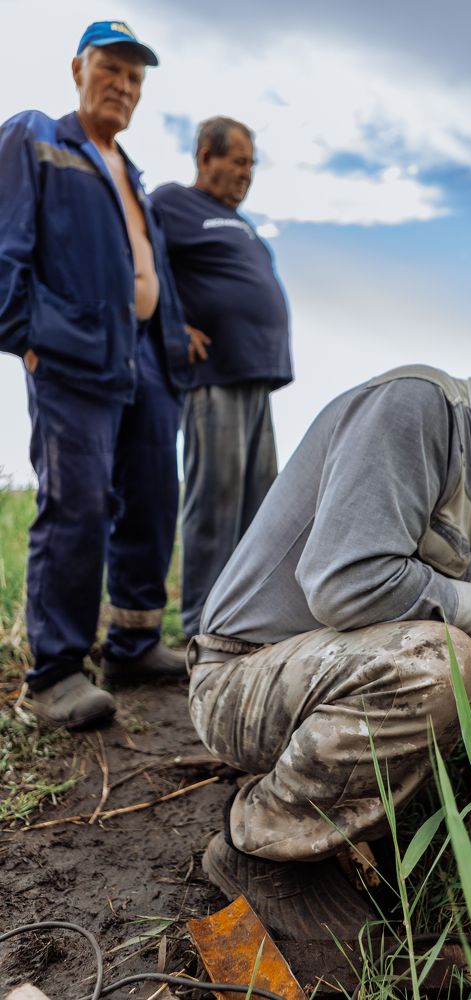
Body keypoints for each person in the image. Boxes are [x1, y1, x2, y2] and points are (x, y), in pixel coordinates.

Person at [185, 334, 471, 940]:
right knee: (440, 660)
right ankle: (267, 849)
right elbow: (347, 582)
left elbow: (420, 574)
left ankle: (366, 801)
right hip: (239, 682)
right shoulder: (417, 406)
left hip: (306, 678)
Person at [0, 22, 196, 729]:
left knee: (150, 494)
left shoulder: (129, 170)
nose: (124, 85)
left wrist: (173, 344)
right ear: (77, 68)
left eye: (136, 78)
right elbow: (5, 245)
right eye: (111, 69)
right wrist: (25, 334)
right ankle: (53, 678)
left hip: (142, 353)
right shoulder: (37, 139)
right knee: (77, 501)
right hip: (71, 349)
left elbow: (146, 268)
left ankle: (135, 641)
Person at [151, 117, 293, 638]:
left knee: (262, 508)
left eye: (251, 163)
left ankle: (245, 623)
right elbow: (136, 257)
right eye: (237, 161)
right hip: (213, 374)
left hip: (257, 375)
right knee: (216, 498)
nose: (246, 173)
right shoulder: (171, 202)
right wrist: (172, 324)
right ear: (205, 157)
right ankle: (200, 626)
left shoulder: (242, 223)